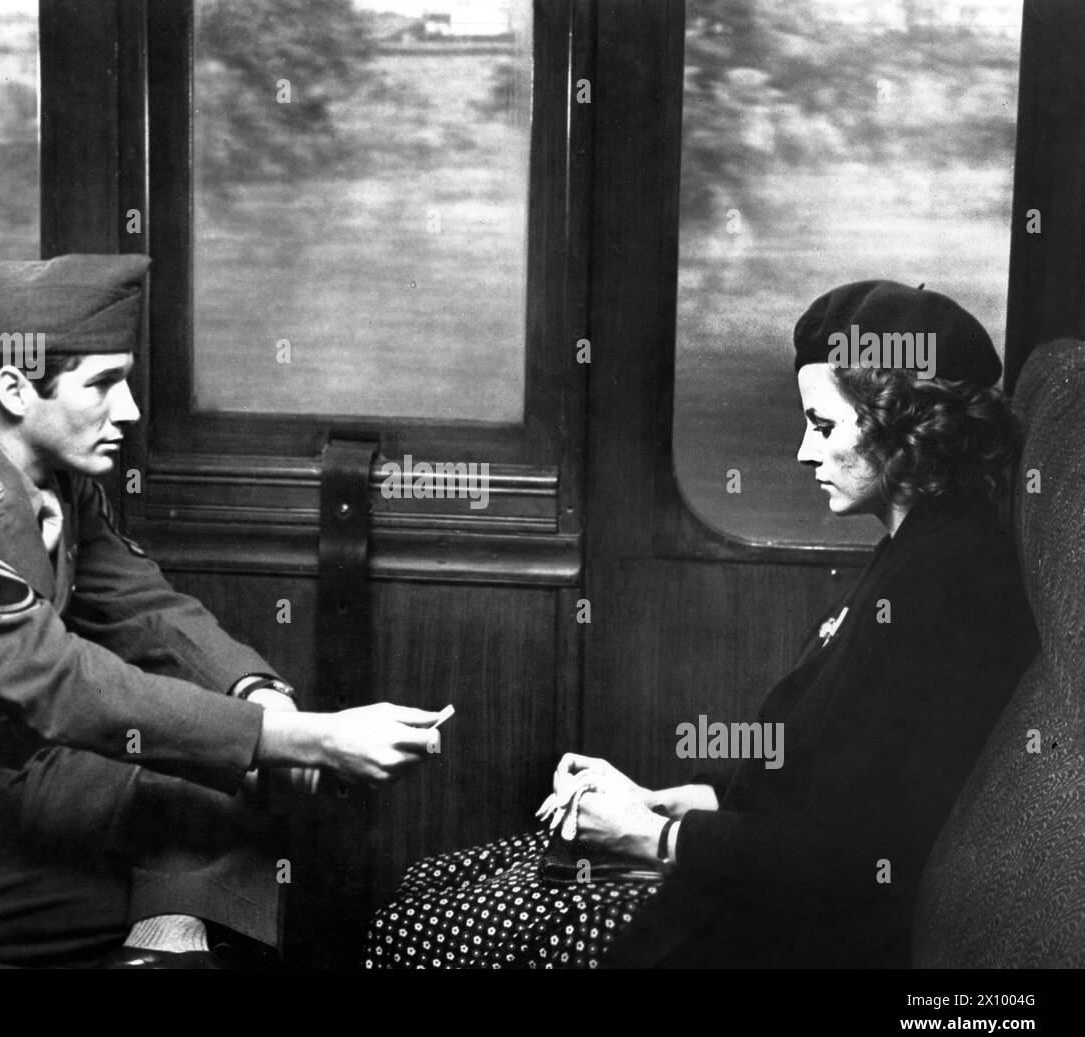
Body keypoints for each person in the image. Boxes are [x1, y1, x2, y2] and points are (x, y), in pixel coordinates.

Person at [0, 253, 443, 968]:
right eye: (103, 383)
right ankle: (166, 944)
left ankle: (168, 940)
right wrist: (305, 740)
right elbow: (55, 682)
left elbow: (144, 605)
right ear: (14, 386)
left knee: (243, 804)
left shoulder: (51, 473)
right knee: (218, 867)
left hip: (14, 776)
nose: (126, 409)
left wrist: (261, 700)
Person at [366, 279, 1040, 969]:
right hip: (754, 880)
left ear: (906, 428)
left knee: (409, 932)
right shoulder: (915, 550)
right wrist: (669, 801)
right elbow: (818, 768)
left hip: (789, 939)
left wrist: (653, 839)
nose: (805, 453)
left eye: (824, 425)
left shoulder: (948, 588)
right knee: (428, 885)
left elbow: (857, 859)